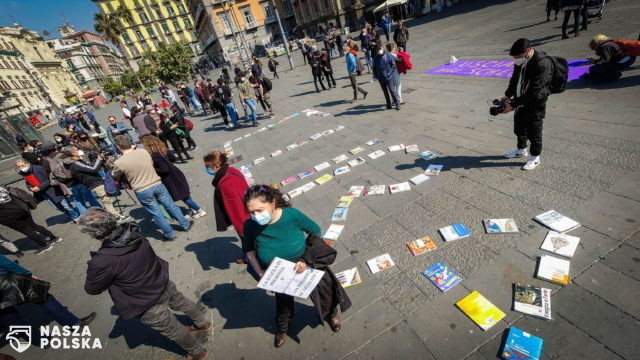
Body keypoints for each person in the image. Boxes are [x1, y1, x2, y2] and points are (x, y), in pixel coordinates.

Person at [79, 208, 210, 360]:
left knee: (173, 329)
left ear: (93, 234)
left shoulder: (102, 261)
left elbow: (92, 289)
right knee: (182, 302)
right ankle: (202, 323)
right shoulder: (133, 229)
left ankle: (197, 352)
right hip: (160, 279)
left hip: (144, 301)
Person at [242, 185, 350, 348]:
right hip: (279, 274)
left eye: (259, 210)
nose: (256, 216)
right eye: (251, 212)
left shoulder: (291, 215)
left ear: (272, 202)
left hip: (307, 266)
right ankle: (283, 329)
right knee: (283, 306)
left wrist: (307, 259)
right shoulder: (250, 225)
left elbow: (315, 231)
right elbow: (249, 251)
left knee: (325, 293)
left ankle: (332, 314)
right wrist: (259, 271)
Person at [111, 135, 193, 241]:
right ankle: (185, 225)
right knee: (171, 205)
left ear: (118, 146)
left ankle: (169, 235)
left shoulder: (119, 162)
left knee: (156, 213)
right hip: (156, 183)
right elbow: (150, 164)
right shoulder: (143, 152)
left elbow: (114, 175)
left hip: (142, 189)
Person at [0, 254, 96, 338]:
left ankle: (40, 340)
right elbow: (5, 263)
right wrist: (27, 273)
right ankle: (73, 324)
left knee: (10, 317)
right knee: (45, 298)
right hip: (6, 282)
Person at [500, 38, 554, 171]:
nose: (515, 59)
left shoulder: (542, 63)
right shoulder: (521, 60)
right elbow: (514, 79)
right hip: (520, 100)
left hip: (535, 102)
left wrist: (512, 106)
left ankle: (535, 157)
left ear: (528, 51)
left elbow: (535, 91)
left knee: (534, 130)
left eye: (517, 56)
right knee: (519, 127)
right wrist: (508, 95)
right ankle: (521, 150)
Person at [139, 135, 206, 219]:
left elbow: (164, 169)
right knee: (185, 194)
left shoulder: (154, 156)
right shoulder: (162, 149)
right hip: (176, 173)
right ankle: (192, 210)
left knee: (183, 196)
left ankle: (199, 210)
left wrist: (153, 169)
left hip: (171, 179)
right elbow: (174, 158)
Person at [203, 151, 250, 263]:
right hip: (249, 210)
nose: (206, 169)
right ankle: (247, 257)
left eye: (208, 167)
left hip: (244, 219)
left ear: (217, 166)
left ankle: (250, 259)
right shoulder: (232, 170)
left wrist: (240, 229)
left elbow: (235, 209)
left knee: (248, 241)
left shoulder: (224, 185)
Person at [62, 146, 128, 221]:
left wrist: (97, 159)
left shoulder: (77, 161)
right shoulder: (75, 164)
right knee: (106, 199)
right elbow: (93, 169)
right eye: (77, 150)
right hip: (93, 183)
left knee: (108, 197)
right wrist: (99, 159)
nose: (79, 150)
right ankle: (116, 216)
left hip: (95, 181)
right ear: (73, 152)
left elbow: (90, 166)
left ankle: (114, 212)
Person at [0, 185, 61, 254]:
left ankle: (45, 246)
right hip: (19, 208)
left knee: (27, 230)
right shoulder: (1, 187)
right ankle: (54, 238)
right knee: (34, 225)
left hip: (8, 216)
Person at [15, 159, 79, 221]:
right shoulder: (24, 173)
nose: (21, 168)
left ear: (27, 163)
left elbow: (49, 179)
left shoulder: (39, 168)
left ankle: (75, 216)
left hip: (52, 190)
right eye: (19, 166)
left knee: (65, 205)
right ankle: (72, 215)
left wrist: (40, 187)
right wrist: (31, 188)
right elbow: (28, 183)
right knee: (56, 207)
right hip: (44, 193)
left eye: (22, 165)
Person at [372, 45, 401, 110]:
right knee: (385, 92)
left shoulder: (387, 55)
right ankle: (388, 105)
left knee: (392, 90)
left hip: (388, 77)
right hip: (380, 77)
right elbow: (374, 68)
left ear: (382, 48)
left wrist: (389, 73)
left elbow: (393, 65)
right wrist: (376, 76)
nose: (379, 51)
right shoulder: (376, 57)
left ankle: (397, 103)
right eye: (378, 50)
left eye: (380, 49)